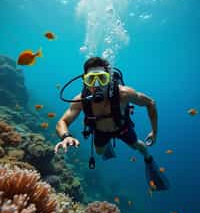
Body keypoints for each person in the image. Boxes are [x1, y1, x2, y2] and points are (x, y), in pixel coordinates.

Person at [54, 57, 169, 191]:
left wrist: (154, 132)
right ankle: (107, 144)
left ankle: (149, 161)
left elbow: (150, 103)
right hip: (100, 131)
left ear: (109, 78)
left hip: (122, 127)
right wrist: (65, 136)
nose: (97, 85)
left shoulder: (124, 94)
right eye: (91, 79)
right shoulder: (80, 100)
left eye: (102, 78)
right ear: (85, 80)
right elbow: (62, 121)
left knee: (140, 146)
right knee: (99, 152)